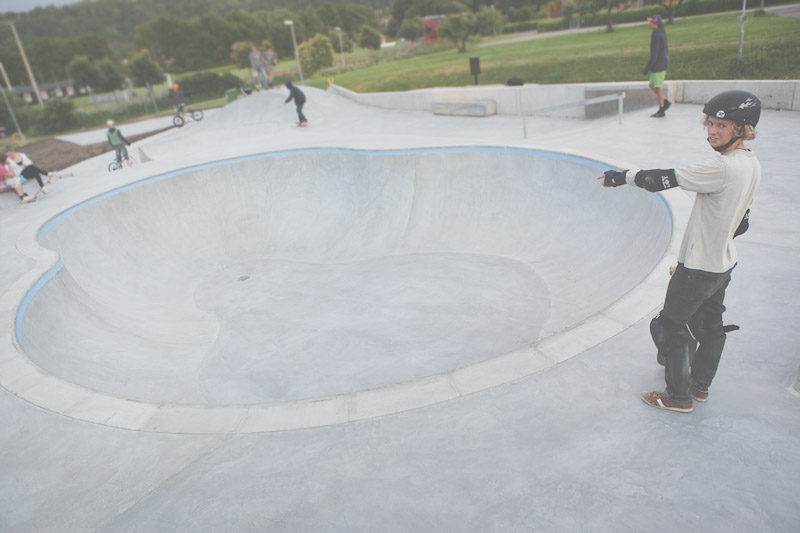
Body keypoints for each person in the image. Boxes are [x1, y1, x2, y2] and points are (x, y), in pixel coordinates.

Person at [598, 90, 762, 413]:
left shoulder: (723, 168)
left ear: (741, 129)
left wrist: (619, 178)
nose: (712, 131)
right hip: (723, 264)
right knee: (710, 327)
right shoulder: (751, 163)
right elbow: (742, 222)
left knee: (669, 326)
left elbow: (663, 178)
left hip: (699, 267)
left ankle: (677, 396)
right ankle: (699, 386)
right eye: (711, 123)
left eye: (722, 125)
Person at [642, 14, 671, 118]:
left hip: (659, 64)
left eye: (651, 23)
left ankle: (661, 110)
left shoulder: (656, 35)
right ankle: (665, 101)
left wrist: (647, 68)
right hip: (660, 63)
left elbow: (655, 53)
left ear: (656, 24)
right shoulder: (661, 31)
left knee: (658, 87)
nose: (650, 24)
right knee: (652, 85)